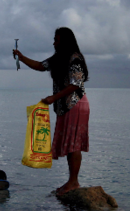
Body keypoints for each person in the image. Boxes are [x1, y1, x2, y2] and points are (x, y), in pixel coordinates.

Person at [13, 27, 89, 195]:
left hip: (76, 104)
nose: (54, 42)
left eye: (57, 39)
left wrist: (53, 98)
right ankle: (72, 181)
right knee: (71, 144)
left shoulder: (75, 59)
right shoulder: (59, 58)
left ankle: (74, 182)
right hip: (66, 106)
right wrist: (21, 57)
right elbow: (41, 66)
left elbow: (75, 84)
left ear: (65, 40)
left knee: (74, 144)